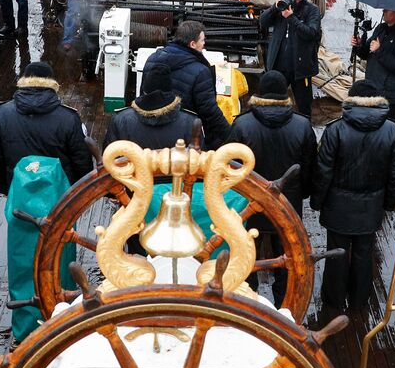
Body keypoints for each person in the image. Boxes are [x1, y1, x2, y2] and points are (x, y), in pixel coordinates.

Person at [313, 81, 395, 315]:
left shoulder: (335, 130)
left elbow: (323, 171)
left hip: (338, 206)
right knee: (364, 254)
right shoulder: (392, 131)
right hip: (371, 206)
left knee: (336, 253)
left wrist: (317, 201)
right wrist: (388, 203)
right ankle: (359, 299)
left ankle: (333, 299)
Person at [227, 71, 317, 305]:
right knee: (286, 254)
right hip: (287, 203)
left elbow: (230, 166)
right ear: (284, 95)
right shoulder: (303, 125)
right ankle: (284, 304)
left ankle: (248, 300)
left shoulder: (242, 124)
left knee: (248, 253)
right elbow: (309, 167)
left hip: (249, 205)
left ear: (259, 94)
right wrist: (302, 193)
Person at [0, 60, 92, 192]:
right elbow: (81, 160)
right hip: (59, 192)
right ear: (51, 83)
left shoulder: (3, 113)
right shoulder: (68, 117)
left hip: (20, 188)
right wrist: (78, 191)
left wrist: (5, 188)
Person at [145, 20, 230, 149]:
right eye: (202, 40)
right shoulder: (200, 71)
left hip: (150, 130)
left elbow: (144, 93)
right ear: (192, 44)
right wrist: (230, 135)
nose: (204, 44)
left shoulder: (152, 59)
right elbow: (209, 111)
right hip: (183, 133)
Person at [259, 0, 322, 117]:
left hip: (300, 68)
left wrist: (291, 18)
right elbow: (262, 22)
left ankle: (305, 131)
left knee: (304, 106)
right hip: (278, 65)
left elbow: (311, 33)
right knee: (272, 103)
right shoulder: (279, 8)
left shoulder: (312, 11)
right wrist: (274, 8)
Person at [104, 63, 201, 150]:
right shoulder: (191, 122)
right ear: (170, 91)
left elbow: (109, 158)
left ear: (144, 90)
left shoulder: (121, 119)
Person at [351, 9, 395, 123]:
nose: (383, 10)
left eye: (387, 9)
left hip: (389, 97)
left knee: (383, 132)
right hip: (371, 90)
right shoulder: (381, 28)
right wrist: (359, 45)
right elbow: (366, 54)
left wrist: (379, 50)